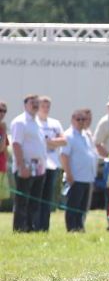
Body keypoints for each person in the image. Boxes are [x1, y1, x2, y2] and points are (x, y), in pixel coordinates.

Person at [10, 94, 48, 232]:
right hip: (25, 167)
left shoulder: (37, 122)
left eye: (37, 103)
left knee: (35, 200)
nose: (36, 105)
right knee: (22, 201)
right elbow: (16, 144)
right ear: (25, 104)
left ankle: (31, 227)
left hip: (38, 168)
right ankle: (20, 228)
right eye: (33, 102)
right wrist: (21, 166)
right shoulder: (20, 122)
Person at [61, 109, 98, 232]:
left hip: (87, 177)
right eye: (78, 119)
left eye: (84, 119)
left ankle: (80, 226)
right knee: (73, 205)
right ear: (72, 120)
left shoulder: (86, 135)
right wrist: (69, 174)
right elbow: (64, 156)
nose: (81, 122)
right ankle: (72, 228)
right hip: (76, 177)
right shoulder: (69, 135)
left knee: (83, 206)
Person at [35, 96, 66, 232]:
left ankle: (44, 227)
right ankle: (34, 225)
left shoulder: (55, 123)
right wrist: (52, 142)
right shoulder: (35, 122)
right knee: (37, 196)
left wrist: (48, 142)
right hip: (38, 165)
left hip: (53, 164)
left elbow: (64, 141)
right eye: (43, 106)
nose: (46, 109)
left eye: (48, 106)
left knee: (48, 197)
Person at [0, 101, 10, 203]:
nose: (2, 113)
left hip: (2, 168)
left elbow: (6, 152)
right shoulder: (2, 128)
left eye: (4, 111)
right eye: (0, 110)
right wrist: (3, 132)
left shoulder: (2, 127)